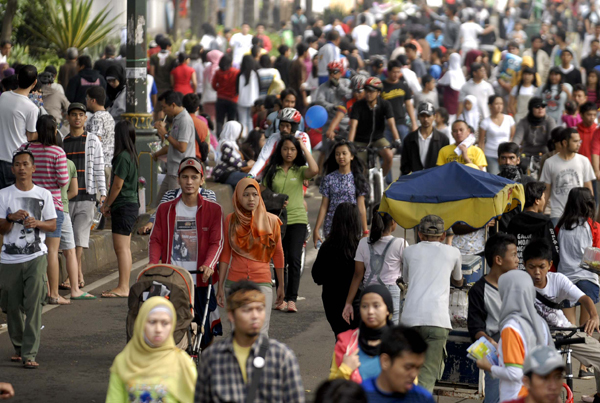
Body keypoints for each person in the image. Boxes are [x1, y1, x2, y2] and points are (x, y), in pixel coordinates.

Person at [195, 280, 305, 402]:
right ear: (231, 315)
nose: (255, 316)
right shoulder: (212, 359)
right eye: (247, 310)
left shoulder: (281, 357)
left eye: (259, 309)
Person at [0, 150, 57, 369]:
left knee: (34, 304)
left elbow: (52, 225)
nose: (21, 168)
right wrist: (10, 218)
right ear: (12, 169)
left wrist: (37, 224)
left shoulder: (44, 194)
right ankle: (19, 347)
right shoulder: (4, 194)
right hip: (9, 259)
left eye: (25, 164)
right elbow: (1, 228)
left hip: (36, 256)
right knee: (11, 306)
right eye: (17, 164)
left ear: (33, 168)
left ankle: (29, 353)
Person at [523, 237, 600, 385]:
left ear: (550, 265)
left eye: (541, 266)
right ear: (525, 265)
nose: (537, 272)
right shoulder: (519, 283)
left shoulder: (558, 279)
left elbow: (584, 298)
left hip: (564, 331)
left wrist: (594, 316)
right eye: (531, 267)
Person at [400, 215, 462, 392]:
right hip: (437, 321)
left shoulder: (409, 251)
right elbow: (458, 280)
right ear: (443, 236)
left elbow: (405, 278)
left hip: (410, 320)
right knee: (426, 378)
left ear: (420, 234)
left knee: (407, 375)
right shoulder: (453, 252)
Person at [216, 178, 283, 335]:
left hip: (262, 283)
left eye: (254, 194)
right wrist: (220, 286)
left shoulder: (271, 221)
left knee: (261, 333)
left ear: (260, 196)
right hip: (234, 283)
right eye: (245, 195)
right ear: (238, 196)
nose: (251, 199)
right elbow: (225, 253)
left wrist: (281, 285)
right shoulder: (230, 220)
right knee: (237, 333)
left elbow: (278, 254)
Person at [19, 115, 74, 305]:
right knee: (51, 251)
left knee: (28, 249)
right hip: (52, 207)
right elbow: (62, 181)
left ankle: (29, 294)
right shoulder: (57, 152)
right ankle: (53, 294)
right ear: (54, 131)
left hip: (27, 205)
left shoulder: (24, 149)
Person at [475, 270, 552, 403]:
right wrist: (500, 348)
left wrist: (488, 367)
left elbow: (514, 373)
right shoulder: (540, 323)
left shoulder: (511, 327)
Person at [262, 136, 318, 312]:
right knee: (280, 259)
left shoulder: (300, 170)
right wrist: (275, 199)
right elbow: (262, 190)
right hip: (276, 219)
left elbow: (315, 169)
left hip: (298, 219)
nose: (289, 152)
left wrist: (303, 146)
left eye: (293, 149)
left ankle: (291, 298)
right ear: (280, 150)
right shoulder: (273, 170)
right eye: (286, 149)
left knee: (294, 259)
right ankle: (281, 297)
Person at [106, 296, 197, 402]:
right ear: (141, 324)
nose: (158, 329)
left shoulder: (182, 362)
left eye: (165, 323)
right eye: (152, 322)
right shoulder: (123, 361)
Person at [468, 233, 519, 403]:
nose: (518, 259)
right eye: (513, 255)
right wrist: (493, 343)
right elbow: (475, 328)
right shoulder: (479, 290)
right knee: (494, 397)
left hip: (520, 349)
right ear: (498, 259)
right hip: (496, 352)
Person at [62, 103, 106, 290]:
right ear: (68, 117)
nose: (77, 118)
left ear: (85, 118)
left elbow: (98, 167)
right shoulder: (63, 142)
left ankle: (72, 277)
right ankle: (78, 275)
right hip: (67, 196)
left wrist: (102, 193)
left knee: (79, 236)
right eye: (74, 115)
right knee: (69, 238)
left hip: (87, 195)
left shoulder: (92, 140)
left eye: (81, 114)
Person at [344, 206, 408, 325]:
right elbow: (408, 271)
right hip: (392, 292)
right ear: (393, 222)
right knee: (391, 331)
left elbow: (358, 275)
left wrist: (348, 303)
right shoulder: (400, 243)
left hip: (369, 291)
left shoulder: (363, 242)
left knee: (370, 328)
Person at [98, 121, 139, 298]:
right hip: (130, 205)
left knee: (121, 249)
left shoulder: (122, 156)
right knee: (125, 248)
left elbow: (117, 185)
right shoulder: (131, 155)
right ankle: (124, 286)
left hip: (123, 205)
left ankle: (123, 287)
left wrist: (107, 204)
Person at [312, 202, 362, 337]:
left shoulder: (327, 246)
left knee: (341, 340)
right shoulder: (359, 247)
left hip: (332, 301)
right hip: (356, 302)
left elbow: (317, 276)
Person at [330, 285, 394, 383]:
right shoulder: (345, 343)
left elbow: (410, 385)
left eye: (376, 305)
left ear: (387, 310)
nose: (370, 311)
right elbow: (332, 389)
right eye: (364, 306)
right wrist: (345, 369)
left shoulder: (400, 343)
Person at [314, 139, 369, 246]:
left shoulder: (358, 179)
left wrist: (365, 231)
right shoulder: (328, 179)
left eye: (344, 153)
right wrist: (316, 229)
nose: (341, 157)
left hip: (352, 225)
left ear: (351, 156)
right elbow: (324, 206)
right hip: (331, 225)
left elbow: (361, 207)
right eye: (337, 154)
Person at [362, 326, 435, 403]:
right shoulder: (360, 395)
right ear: (385, 361)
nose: (414, 374)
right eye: (408, 367)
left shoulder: (423, 398)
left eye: (418, 368)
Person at [348, 77, 401, 179]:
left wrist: (397, 139)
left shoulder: (385, 104)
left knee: (389, 156)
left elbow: (392, 124)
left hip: (378, 138)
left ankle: (381, 178)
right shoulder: (358, 105)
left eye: (372, 91)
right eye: (367, 91)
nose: (368, 94)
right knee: (360, 167)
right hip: (360, 140)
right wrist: (350, 143)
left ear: (378, 93)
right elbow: (353, 126)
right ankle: (362, 186)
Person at [540, 129, 595, 224]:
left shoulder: (584, 161)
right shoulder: (550, 163)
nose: (579, 144)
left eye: (579, 141)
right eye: (575, 141)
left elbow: (588, 189)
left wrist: (590, 213)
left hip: (579, 214)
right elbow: (546, 191)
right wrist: (541, 214)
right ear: (565, 142)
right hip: (557, 215)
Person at [152, 91, 196, 204]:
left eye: (164, 107)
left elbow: (182, 147)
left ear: (173, 105)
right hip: (172, 170)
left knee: (172, 207)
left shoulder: (184, 120)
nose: (163, 111)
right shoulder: (177, 119)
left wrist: (165, 134)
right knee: (160, 205)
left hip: (179, 171)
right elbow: (171, 145)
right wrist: (157, 154)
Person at [0, 64, 39, 189]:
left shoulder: (4, 96)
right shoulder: (31, 107)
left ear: (17, 77)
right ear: (35, 82)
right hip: (16, 159)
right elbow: (31, 136)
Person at [506, 182, 559, 270]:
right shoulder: (545, 222)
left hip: (517, 271)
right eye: (543, 198)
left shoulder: (513, 221)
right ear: (537, 200)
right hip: (538, 273)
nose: (544, 201)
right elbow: (554, 250)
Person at [401, 102, 449, 176]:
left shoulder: (443, 139)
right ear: (418, 117)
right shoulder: (409, 139)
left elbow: (446, 164)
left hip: (435, 179)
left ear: (434, 116)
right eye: (422, 116)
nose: (425, 119)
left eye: (428, 116)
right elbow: (404, 165)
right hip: (415, 181)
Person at [85, 86, 116, 192]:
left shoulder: (96, 118)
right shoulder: (109, 116)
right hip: (109, 163)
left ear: (93, 100)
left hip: (99, 167)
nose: (86, 101)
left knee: (97, 200)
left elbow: (95, 141)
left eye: (87, 98)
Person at [479, 96, 516, 175]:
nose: (499, 106)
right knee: (493, 176)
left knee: (508, 176)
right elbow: (481, 141)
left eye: (501, 104)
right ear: (490, 105)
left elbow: (512, 136)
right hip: (491, 154)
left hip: (506, 155)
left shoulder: (509, 119)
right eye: (496, 103)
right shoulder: (485, 122)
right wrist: (481, 159)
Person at [382, 60, 417, 142]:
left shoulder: (403, 85)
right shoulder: (382, 86)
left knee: (405, 147)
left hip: (400, 121)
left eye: (398, 72)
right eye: (394, 72)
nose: (396, 74)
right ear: (388, 72)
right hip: (385, 123)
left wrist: (414, 123)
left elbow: (408, 104)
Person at [212, 121, 252, 188]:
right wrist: (247, 164)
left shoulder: (232, 144)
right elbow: (232, 161)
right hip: (224, 174)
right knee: (250, 178)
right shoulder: (225, 145)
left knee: (252, 176)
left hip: (231, 173)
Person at [212, 55, 239, 136]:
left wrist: (219, 90)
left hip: (220, 98)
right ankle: (230, 136)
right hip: (233, 99)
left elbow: (213, 85)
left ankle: (219, 137)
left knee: (219, 120)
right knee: (231, 120)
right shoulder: (236, 72)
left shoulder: (218, 72)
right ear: (230, 63)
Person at [437, 53, 466, 122]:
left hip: (449, 98)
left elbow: (440, 83)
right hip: (458, 98)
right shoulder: (460, 72)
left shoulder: (450, 73)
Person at [236, 55, 259, 134]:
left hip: (242, 100)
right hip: (253, 101)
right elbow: (257, 88)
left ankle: (242, 136)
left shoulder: (240, 75)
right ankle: (250, 136)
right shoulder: (255, 74)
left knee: (242, 120)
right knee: (250, 120)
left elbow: (237, 89)